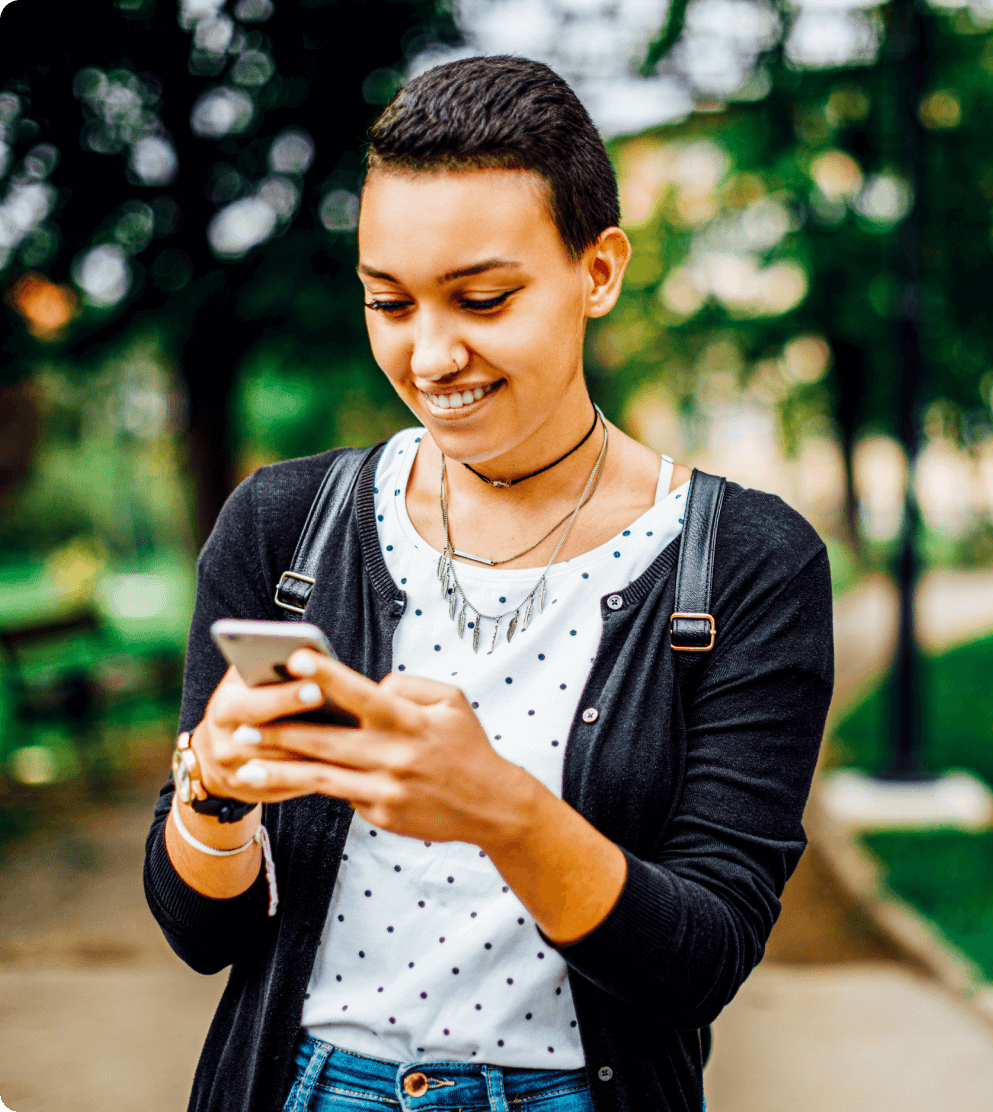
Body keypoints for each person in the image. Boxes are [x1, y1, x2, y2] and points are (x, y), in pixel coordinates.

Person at [144, 54, 834, 1112]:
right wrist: (216, 792)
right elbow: (202, 933)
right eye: (389, 302)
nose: (430, 355)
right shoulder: (284, 529)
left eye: (481, 297)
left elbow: (702, 959)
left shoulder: (747, 562)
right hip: (300, 1086)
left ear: (597, 271)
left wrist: (505, 811)